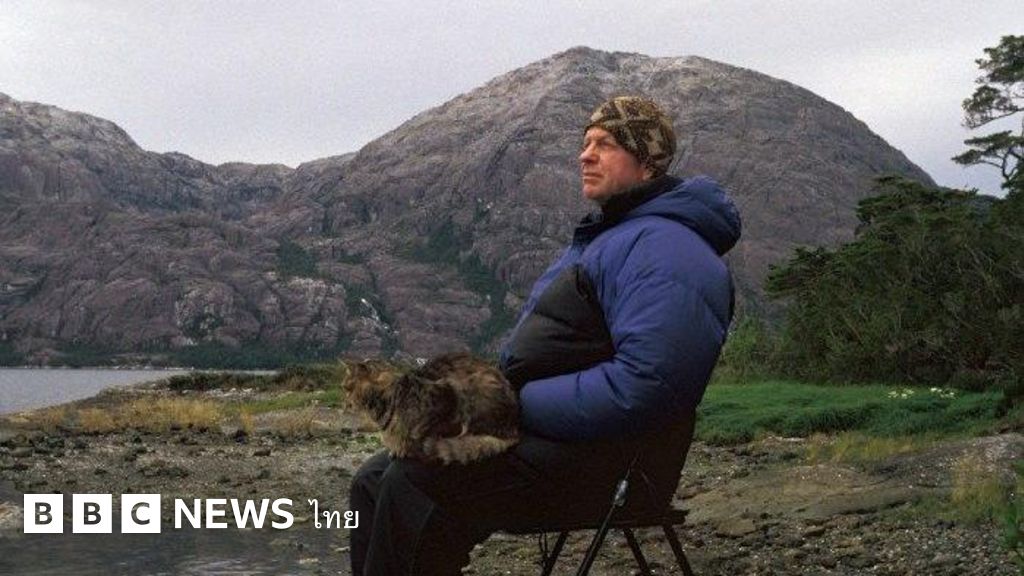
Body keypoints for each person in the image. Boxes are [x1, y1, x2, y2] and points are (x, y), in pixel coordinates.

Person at [348, 96, 741, 575]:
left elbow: (649, 384)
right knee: (373, 479)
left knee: (414, 484)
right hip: (561, 446)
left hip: (608, 465)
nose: (586, 155)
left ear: (647, 163)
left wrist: (517, 405)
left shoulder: (666, 248)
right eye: (586, 143)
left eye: (605, 144)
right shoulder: (612, 238)